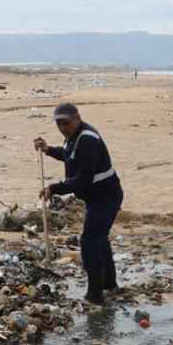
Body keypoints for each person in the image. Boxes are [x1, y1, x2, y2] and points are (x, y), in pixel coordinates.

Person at [34, 103, 123, 304]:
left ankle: (95, 293)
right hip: (95, 197)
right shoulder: (73, 137)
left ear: (77, 118)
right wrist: (48, 150)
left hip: (106, 197)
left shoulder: (88, 140)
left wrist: (54, 188)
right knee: (100, 239)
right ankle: (110, 284)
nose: (62, 127)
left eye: (66, 123)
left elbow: (84, 179)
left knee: (90, 242)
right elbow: (68, 156)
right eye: (58, 123)